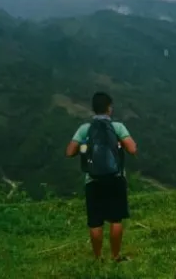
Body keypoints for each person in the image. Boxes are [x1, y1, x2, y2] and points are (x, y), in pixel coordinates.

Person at [65, 92, 137, 262]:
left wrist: (85, 146)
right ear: (109, 108)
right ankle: (116, 256)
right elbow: (132, 149)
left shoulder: (85, 129)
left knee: (95, 222)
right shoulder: (117, 127)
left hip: (93, 180)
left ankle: (98, 258)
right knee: (115, 219)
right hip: (115, 178)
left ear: (94, 109)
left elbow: (69, 152)